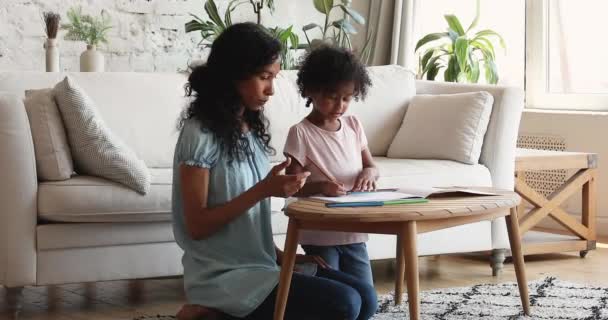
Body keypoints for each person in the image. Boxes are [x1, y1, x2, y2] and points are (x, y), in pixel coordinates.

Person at [172, 22, 377, 320]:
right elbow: (197, 226)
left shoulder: (249, 130)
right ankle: (211, 309)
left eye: (274, 78)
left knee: (367, 299)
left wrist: (287, 258)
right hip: (223, 277)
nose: (270, 90)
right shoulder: (199, 133)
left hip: (262, 265)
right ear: (233, 74)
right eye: (263, 77)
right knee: (345, 304)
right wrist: (264, 190)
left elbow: (249, 228)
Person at [284, 45, 378, 286]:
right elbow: (290, 187)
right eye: (332, 96)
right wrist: (320, 186)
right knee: (334, 293)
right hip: (319, 231)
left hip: (353, 229)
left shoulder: (354, 125)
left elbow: (372, 166)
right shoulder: (300, 134)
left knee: (367, 298)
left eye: (347, 98)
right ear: (311, 91)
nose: (340, 105)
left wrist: (369, 173)